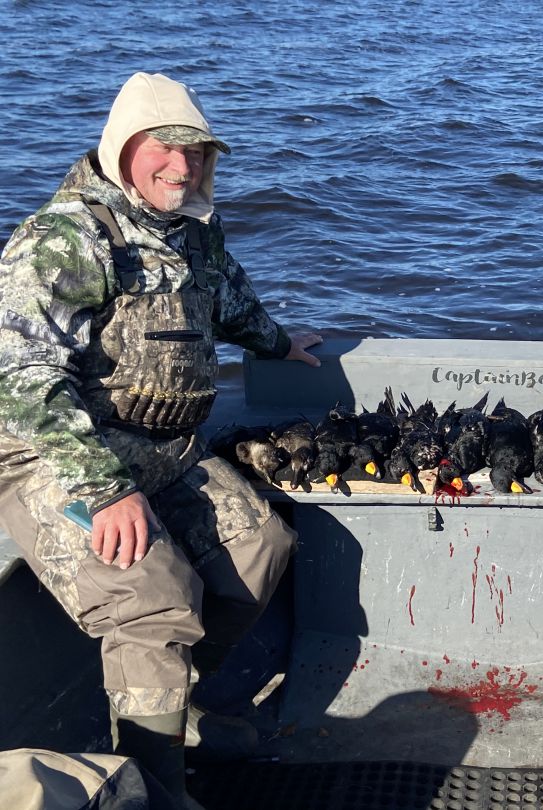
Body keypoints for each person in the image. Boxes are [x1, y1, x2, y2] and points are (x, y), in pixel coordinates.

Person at [0, 72, 322, 809]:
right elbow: (18, 376)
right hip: (54, 456)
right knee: (153, 597)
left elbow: (229, 301)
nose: (184, 167)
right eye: (166, 149)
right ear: (123, 149)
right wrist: (105, 491)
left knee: (261, 547)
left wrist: (278, 343)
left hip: (163, 448)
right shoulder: (66, 238)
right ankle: (154, 785)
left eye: (200, 153)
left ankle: (174, 710)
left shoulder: (191, 231)